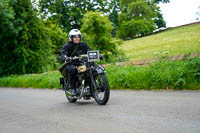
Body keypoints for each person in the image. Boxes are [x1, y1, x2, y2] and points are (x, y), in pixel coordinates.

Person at [60, 29, 91, 96]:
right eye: (75, 37)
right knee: (73, 69)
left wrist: (94, 54)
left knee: (91, 68)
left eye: (78, 37)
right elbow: (63, 54)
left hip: (81, 63)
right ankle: (73, 88)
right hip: (71, 64)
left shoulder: (83, 44)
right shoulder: (67, 45)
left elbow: (89, 51)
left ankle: (88, 86)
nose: (77, 38)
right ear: (71, 38)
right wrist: (66, 58)